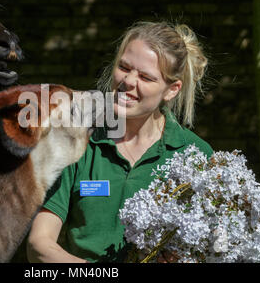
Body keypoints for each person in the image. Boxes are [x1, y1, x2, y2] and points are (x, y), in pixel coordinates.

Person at [26, 21, 213, 263]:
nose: (129, 81)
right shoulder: (75, 139)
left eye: (146, 77)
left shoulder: (195, 155)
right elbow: (39, 243)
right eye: (124, 67)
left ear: (172, 89)